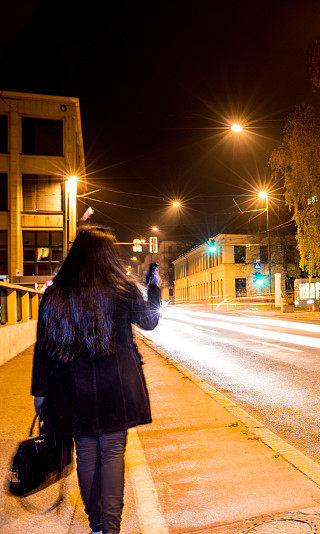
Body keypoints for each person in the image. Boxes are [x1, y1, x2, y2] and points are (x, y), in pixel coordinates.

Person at [31, 225, 161, 534]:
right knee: (113, 453)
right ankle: (111, 528)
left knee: (87, 452)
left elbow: (43, 348)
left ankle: (96, 525)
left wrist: (39, 392)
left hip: (72, 389)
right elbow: (150, 321)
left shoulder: (55, 293)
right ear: (107, 255)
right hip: (115, 386)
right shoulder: (121, 288)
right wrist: (153, 286)